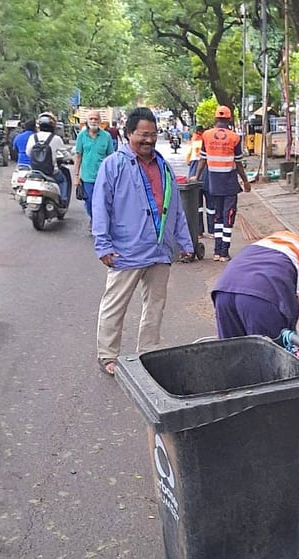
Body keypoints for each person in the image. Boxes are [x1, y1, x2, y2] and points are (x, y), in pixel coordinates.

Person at [92, 107, 195, 376]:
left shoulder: (163, 166)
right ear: (129, 135)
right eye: (142, 135)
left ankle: (148, 351)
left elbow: (175, 209)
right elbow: (101, 207)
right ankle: (107, 355)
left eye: (152, 135)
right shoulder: (112, 165)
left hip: (160, 249)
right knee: (115, 303)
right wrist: (103, 244)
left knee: (155, 305)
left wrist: (184, 242)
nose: (148, 140)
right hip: (126, 250)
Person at [211, 225, 299, 344]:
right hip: (263, 294)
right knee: (272, 365)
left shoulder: (285, 237)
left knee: (232, 357)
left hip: (224, 287)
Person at [195, 105, 252, 261]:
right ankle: (224, 252)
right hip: (229, 184)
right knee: (228, 218)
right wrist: (246, 181)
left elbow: (203, 159)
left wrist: (196, 176)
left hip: (213, 184)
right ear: (229, 119)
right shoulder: (235, 137)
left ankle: (216, 251)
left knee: (218, 217)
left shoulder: (206, 135)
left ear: (215, 118)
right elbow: (239, 164)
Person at [74, 110, 116, 220]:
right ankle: (94, 219)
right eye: (91, 119)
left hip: (103, 177)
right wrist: (76, 176)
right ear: (87, 121)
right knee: (89, 202)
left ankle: (99, 222)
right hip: (87, 177)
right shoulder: (81, 136)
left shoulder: (106, 136)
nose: (93, 121)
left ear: (100, 121)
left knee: (103, 202)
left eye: (96, 119)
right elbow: (78, 156)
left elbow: (111, 157)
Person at [25, 112, 70, 208]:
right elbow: (66, 155)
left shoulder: (33, 137)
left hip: (35, 171)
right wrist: (68, 159)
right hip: (51, 172)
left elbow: (28, 152)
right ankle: (63, 200)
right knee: (63, 180)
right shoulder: (56, 138)